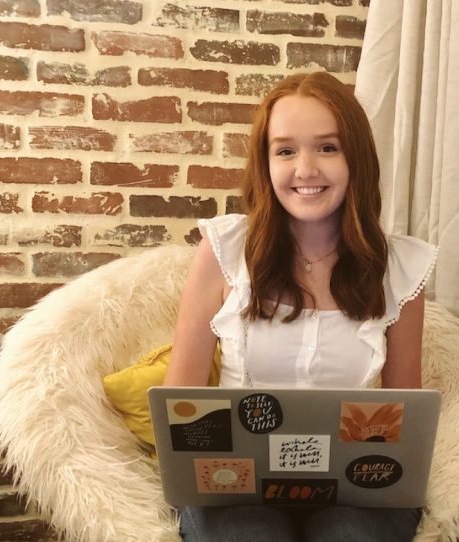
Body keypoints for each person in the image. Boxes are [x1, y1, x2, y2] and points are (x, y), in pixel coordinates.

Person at [164, 71, 438, 542]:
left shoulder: (401, 269)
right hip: (236, 488)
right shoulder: (224, 249)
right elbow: (180, 399)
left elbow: (403, 415)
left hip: (355, 489)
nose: (306, 169)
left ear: (356, 159)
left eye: (327, 148)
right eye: (286, 150)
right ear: (265, 163)